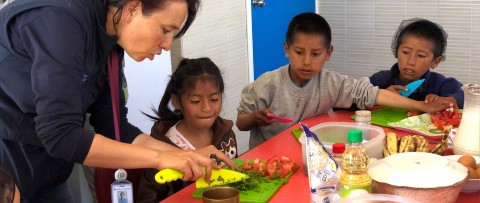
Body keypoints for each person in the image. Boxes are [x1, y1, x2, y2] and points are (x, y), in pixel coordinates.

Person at [0, 0, 235, 202]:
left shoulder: (110, 40)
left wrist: (184, 154)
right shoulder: (61, 19)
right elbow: (60, 134)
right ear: (133, 7)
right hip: (7, 168)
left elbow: (115, 128)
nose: (167, 45)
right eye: (165, 29)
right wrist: (163, 158)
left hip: (48, 168)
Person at [236, 12, 452, 149]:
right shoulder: (267, 83)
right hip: (268, 154)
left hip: (312, 153)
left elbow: (373, 93)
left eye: (316, 54)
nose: (306, 62)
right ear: (287, 50)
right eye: (299, 52)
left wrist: (422, 106)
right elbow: (241, 122)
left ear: (328, 53)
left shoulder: (332, 82)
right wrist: (255, 117)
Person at [136, 58, 238, 202]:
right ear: (176, 102)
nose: (206, 108)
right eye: (196, 101)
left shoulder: (226, 135)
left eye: (214, 99)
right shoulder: (163, 147)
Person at [369, 18, 464, 108]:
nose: (410, 62)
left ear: (435, 62)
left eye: (421, 56)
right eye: (405, 52)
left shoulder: (439, 83)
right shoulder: (381, 79)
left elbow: (467, 94)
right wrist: (381, 96)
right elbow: (356, 97)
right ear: (396, 52)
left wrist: (451, 100)